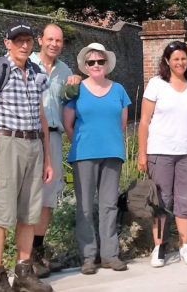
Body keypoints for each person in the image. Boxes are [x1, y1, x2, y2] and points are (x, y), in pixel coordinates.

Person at [0, 21, 54, 292]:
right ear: (7, 42)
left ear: (33, 43)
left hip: (33, 144)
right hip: (5, 143)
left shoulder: (36, 73)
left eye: (28, 40)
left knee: (29, 213)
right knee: (1, 213)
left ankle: (23, 271)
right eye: (17, 40)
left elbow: (42, 118)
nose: (23, 45)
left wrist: (48, 159)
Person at [137, 40, 187, 267]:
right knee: (161, 200)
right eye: (175, 58)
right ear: (167, 61)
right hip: (160, 152)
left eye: (183, 58)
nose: (180, 62)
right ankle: (159, 247)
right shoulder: (156, 84)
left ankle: (184, 245)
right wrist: (142, 153)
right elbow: (144, 122)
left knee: (185, 200)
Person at [63, 43, 131, 274]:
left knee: (109, 205)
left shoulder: (119, 90)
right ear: (84, 66)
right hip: (84, 155)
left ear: (106, 64)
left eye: (100, 61)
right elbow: (67, 124)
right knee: (84, 207)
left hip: (112, 153)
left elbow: (122, 124)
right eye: (91, 62)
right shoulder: (76, 90)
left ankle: (110, 255)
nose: (96, 65)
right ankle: (88, 257)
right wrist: (85, 143)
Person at [28, 23, 81, 278]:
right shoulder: (25, 64)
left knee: (48, 198)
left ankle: (37, 253)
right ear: (40, 40)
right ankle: (24, 259)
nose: (54, 44)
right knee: (28, 197)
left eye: (58, 40)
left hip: (54, 137)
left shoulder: (65, 70)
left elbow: (68, 101)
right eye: (50, 39)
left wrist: (75, 84)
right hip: (28, 137)